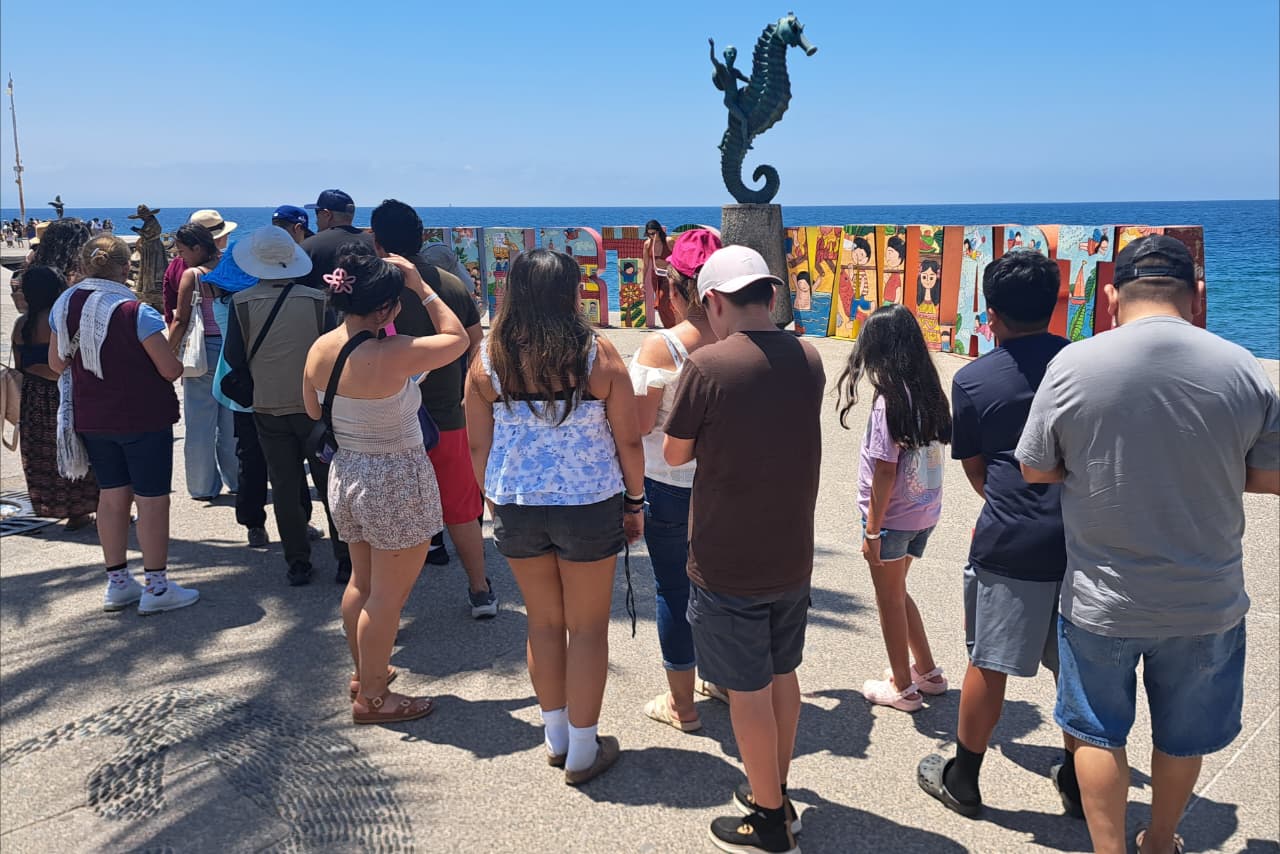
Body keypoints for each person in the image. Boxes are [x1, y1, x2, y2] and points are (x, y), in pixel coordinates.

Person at [1017, 235, 1280, 854]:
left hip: (1101, 598)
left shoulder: (1074, 365)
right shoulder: (1244, 367)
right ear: (1198, 295)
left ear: (1111, 297)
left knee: (1097, 732)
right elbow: (1271, 477)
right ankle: (1160, 841)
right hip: (1206, 598)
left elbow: (1035, 467)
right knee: (1182, 737)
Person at [663, 246, 825, 854]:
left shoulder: (708, 365)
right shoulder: (809, 357)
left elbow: (675, 453)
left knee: (748, 691)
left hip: (727, 554)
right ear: (771, 294)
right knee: (783, 674)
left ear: (712, 301)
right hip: (792, 548)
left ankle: (770, 818)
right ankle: (773, 787)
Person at [465, 248, 644, 785]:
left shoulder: (489, 357)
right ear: (571, 293)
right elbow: (629, 439)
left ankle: (555, 737)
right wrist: (635, 500)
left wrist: (492, 496)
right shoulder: (595, 353)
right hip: (589, 502)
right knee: (587, 628)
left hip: (516, 503)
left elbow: (477, 445)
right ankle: (584, 751)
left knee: (543, 622)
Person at [915, 250, 1081, 818]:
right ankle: (1082, 782)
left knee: (989, 660)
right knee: (1078, 669)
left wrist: (1013, 504)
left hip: (1012, 537)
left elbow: (977, 467)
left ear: (990, 315)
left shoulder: (972, 379)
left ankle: (964, 779)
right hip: (1085, 536)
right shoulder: (1082, 366)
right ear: (1055, 305)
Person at [304, 247, 469, 723]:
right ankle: (374, 698)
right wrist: (422, 285)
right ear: (384, 308)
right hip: (395, 478)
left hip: (348, 473)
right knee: (387, 598)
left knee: (362, 583)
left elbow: (313, 409)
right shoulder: (396, 352)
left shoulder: (321, 347)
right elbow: (457, 339)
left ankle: (366, 673)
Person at [48, 236, 196, 615]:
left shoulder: (65, 305)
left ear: (85, 265)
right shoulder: (135, 311)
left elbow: (56, 363)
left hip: (92, 417)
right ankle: (157, 586)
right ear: (126, 267)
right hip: (143, 418)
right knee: (151, 500)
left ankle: (117, 583)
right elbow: (169, 370)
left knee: (112, 498)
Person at [368, 199, 495, 617]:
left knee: (391, 513)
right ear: (422, 237)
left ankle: (388, 605)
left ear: (377, 240)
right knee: (461, 509)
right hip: (446, 414)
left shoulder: (370, 287)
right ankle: (480, 589)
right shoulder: (449, 284)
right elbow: (477, 349)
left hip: (385, 420)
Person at [628, 229, 728, 733]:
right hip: (723, 485)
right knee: (721, 586)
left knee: (673, 587)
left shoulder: (661, 347)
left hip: (666, 482)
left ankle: (682, 705)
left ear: (675, 287)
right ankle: (725, 679)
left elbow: (640, 424)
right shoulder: (736, 342)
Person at [837, 303, 950, 713]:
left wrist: (872, 530)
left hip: (892, 519)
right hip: (923, 514)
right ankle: (928, 672)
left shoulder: (889, 401)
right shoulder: (928, 392)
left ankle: (903, 687)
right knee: (897, 592)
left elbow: (884, 472)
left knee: (888, 600)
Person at [223, 226, 349, 586]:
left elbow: (234, 356)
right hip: (316, 406)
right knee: (330, 481)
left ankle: (297, 561)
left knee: (284, 484)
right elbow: (333, 350)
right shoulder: (317, 300)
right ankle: (345, 558)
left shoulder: (241, 303)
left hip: (267, 404)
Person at [10, 266, 99, 528]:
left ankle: (72, 513)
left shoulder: (21, 325)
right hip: (66, 393)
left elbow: (20, 367)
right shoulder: (62, 322)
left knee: (49, 455)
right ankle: (103, 507)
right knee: (85, 449)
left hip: (34, 398)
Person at [168, 223, 238, 500]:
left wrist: (167, 353)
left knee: (199, 424)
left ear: (197, 247)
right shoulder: (231, 267)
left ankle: (202, 486)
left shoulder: (193, 275)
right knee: (231, 422)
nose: (180, 256)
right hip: (232, 350)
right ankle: (238, 479)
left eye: (182, 251)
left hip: (203, 351)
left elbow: (180, 319)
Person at [162, 210, 237, 326]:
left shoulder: (175, 265)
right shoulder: (228, 265)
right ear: (218, 238)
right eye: (227, 233)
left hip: (189, 332)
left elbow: (169, 304)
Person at [301, 190, 374, 289]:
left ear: (327, 214)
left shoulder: (308, 246)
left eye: (317, 213)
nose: (316, 221)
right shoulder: (375, 244)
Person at [642, 220, 672, 327]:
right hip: (655, 275)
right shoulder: (647, 244)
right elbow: (645, 264)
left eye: (653, 233)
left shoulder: (668, 241)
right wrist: (642, 282)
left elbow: (679, 257)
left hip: (668, 275)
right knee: (660, 304)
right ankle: (668, 326)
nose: (651, 236)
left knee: (663, 301)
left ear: (659, 231)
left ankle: (673, 325)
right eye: (649, 234)